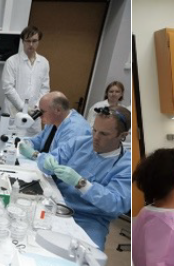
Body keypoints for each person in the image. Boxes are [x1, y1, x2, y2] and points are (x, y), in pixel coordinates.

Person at [37, 106, 131, 250]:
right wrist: (46, 162)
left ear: (122, 135)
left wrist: (81, 183)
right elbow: (47, 159)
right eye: (94, 130)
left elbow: (116, 204)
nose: (95, 137)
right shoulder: (80, 142)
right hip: (57, 204)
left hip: (90, 219)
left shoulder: (126, 164)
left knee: (87, 259)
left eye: (104, 134)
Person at [18, 91, 91, 160]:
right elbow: (40, 140)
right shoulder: (54, 121)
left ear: (58, 111)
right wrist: (27, 143)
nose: (40, 116)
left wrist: (34, 155)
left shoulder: (74, 130)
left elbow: (59, 161)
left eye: (42, 112)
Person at [2, 26, 50, 116]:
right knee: (13, 130)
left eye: (34, 41)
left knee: (33, 130)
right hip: (13, 111)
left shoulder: (44, 62)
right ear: (23, 41)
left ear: (39, 41)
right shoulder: (12, 61)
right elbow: (7, 88)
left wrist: (37, 107)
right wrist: (23, 107)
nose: (31, 44)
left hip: (34, 113)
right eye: (28, 41)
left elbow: (45, 89)